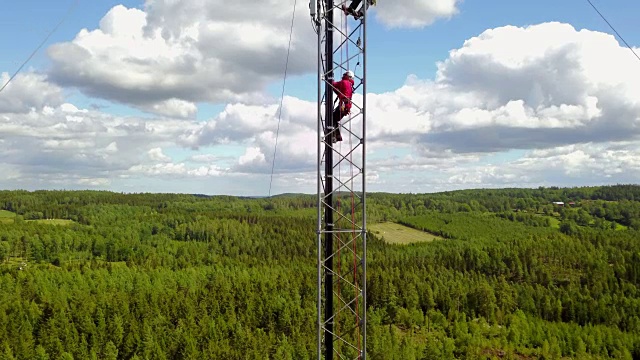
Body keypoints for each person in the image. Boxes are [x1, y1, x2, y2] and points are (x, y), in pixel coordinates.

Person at [331, 70, 355, 143]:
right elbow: (341, 93)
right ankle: (337, 136)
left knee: (332, 118)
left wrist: (330, 78)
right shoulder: (350, 85)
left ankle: (334, 136)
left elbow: (333, 84)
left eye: (344, 75)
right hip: (346, 106)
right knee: (334, 118)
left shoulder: (344, 82)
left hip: (343, 105)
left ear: (347, 76)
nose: (342, 76)